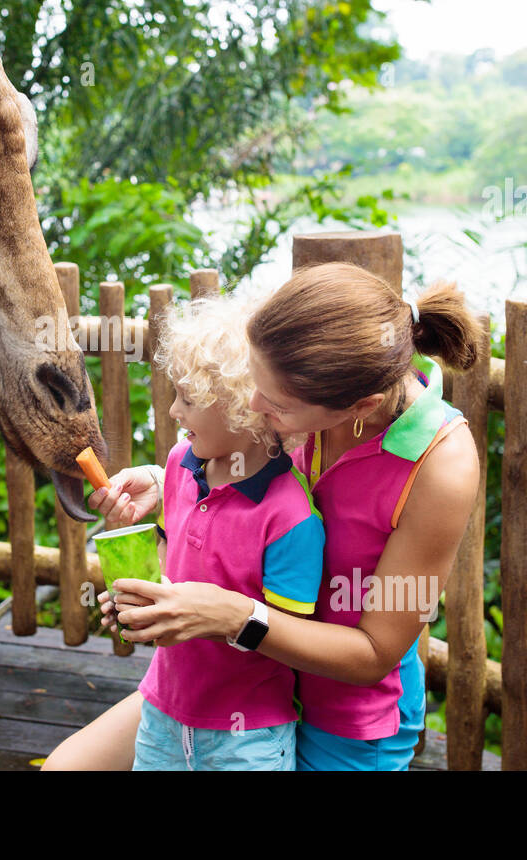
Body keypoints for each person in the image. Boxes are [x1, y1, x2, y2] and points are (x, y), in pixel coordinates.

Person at [41, 262, 484, 771]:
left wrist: (231, 616)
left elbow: (374, 653)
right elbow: (251, 458)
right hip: (235, 680)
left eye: (273, 405)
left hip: (342, 712)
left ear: (362, 406)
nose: (251, 406)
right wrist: (167, 481)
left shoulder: (439, 464)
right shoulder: (303, 373)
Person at [128, 292, 325, 770]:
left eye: (189, 399)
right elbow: (170, 556)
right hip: (162, 713)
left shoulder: (291, 518)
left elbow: (288, 637)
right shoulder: (178, 465)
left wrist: (216, 618)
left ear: (244, 408)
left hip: (247, 737)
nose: (174, 412)